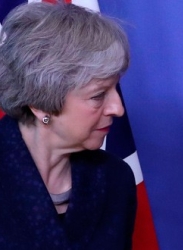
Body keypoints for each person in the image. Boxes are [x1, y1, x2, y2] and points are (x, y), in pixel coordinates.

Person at [0, 2, 136, 249]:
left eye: (115, 89)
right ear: (40, 101)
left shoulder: (115, 179)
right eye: (98, 95)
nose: (118, 108)